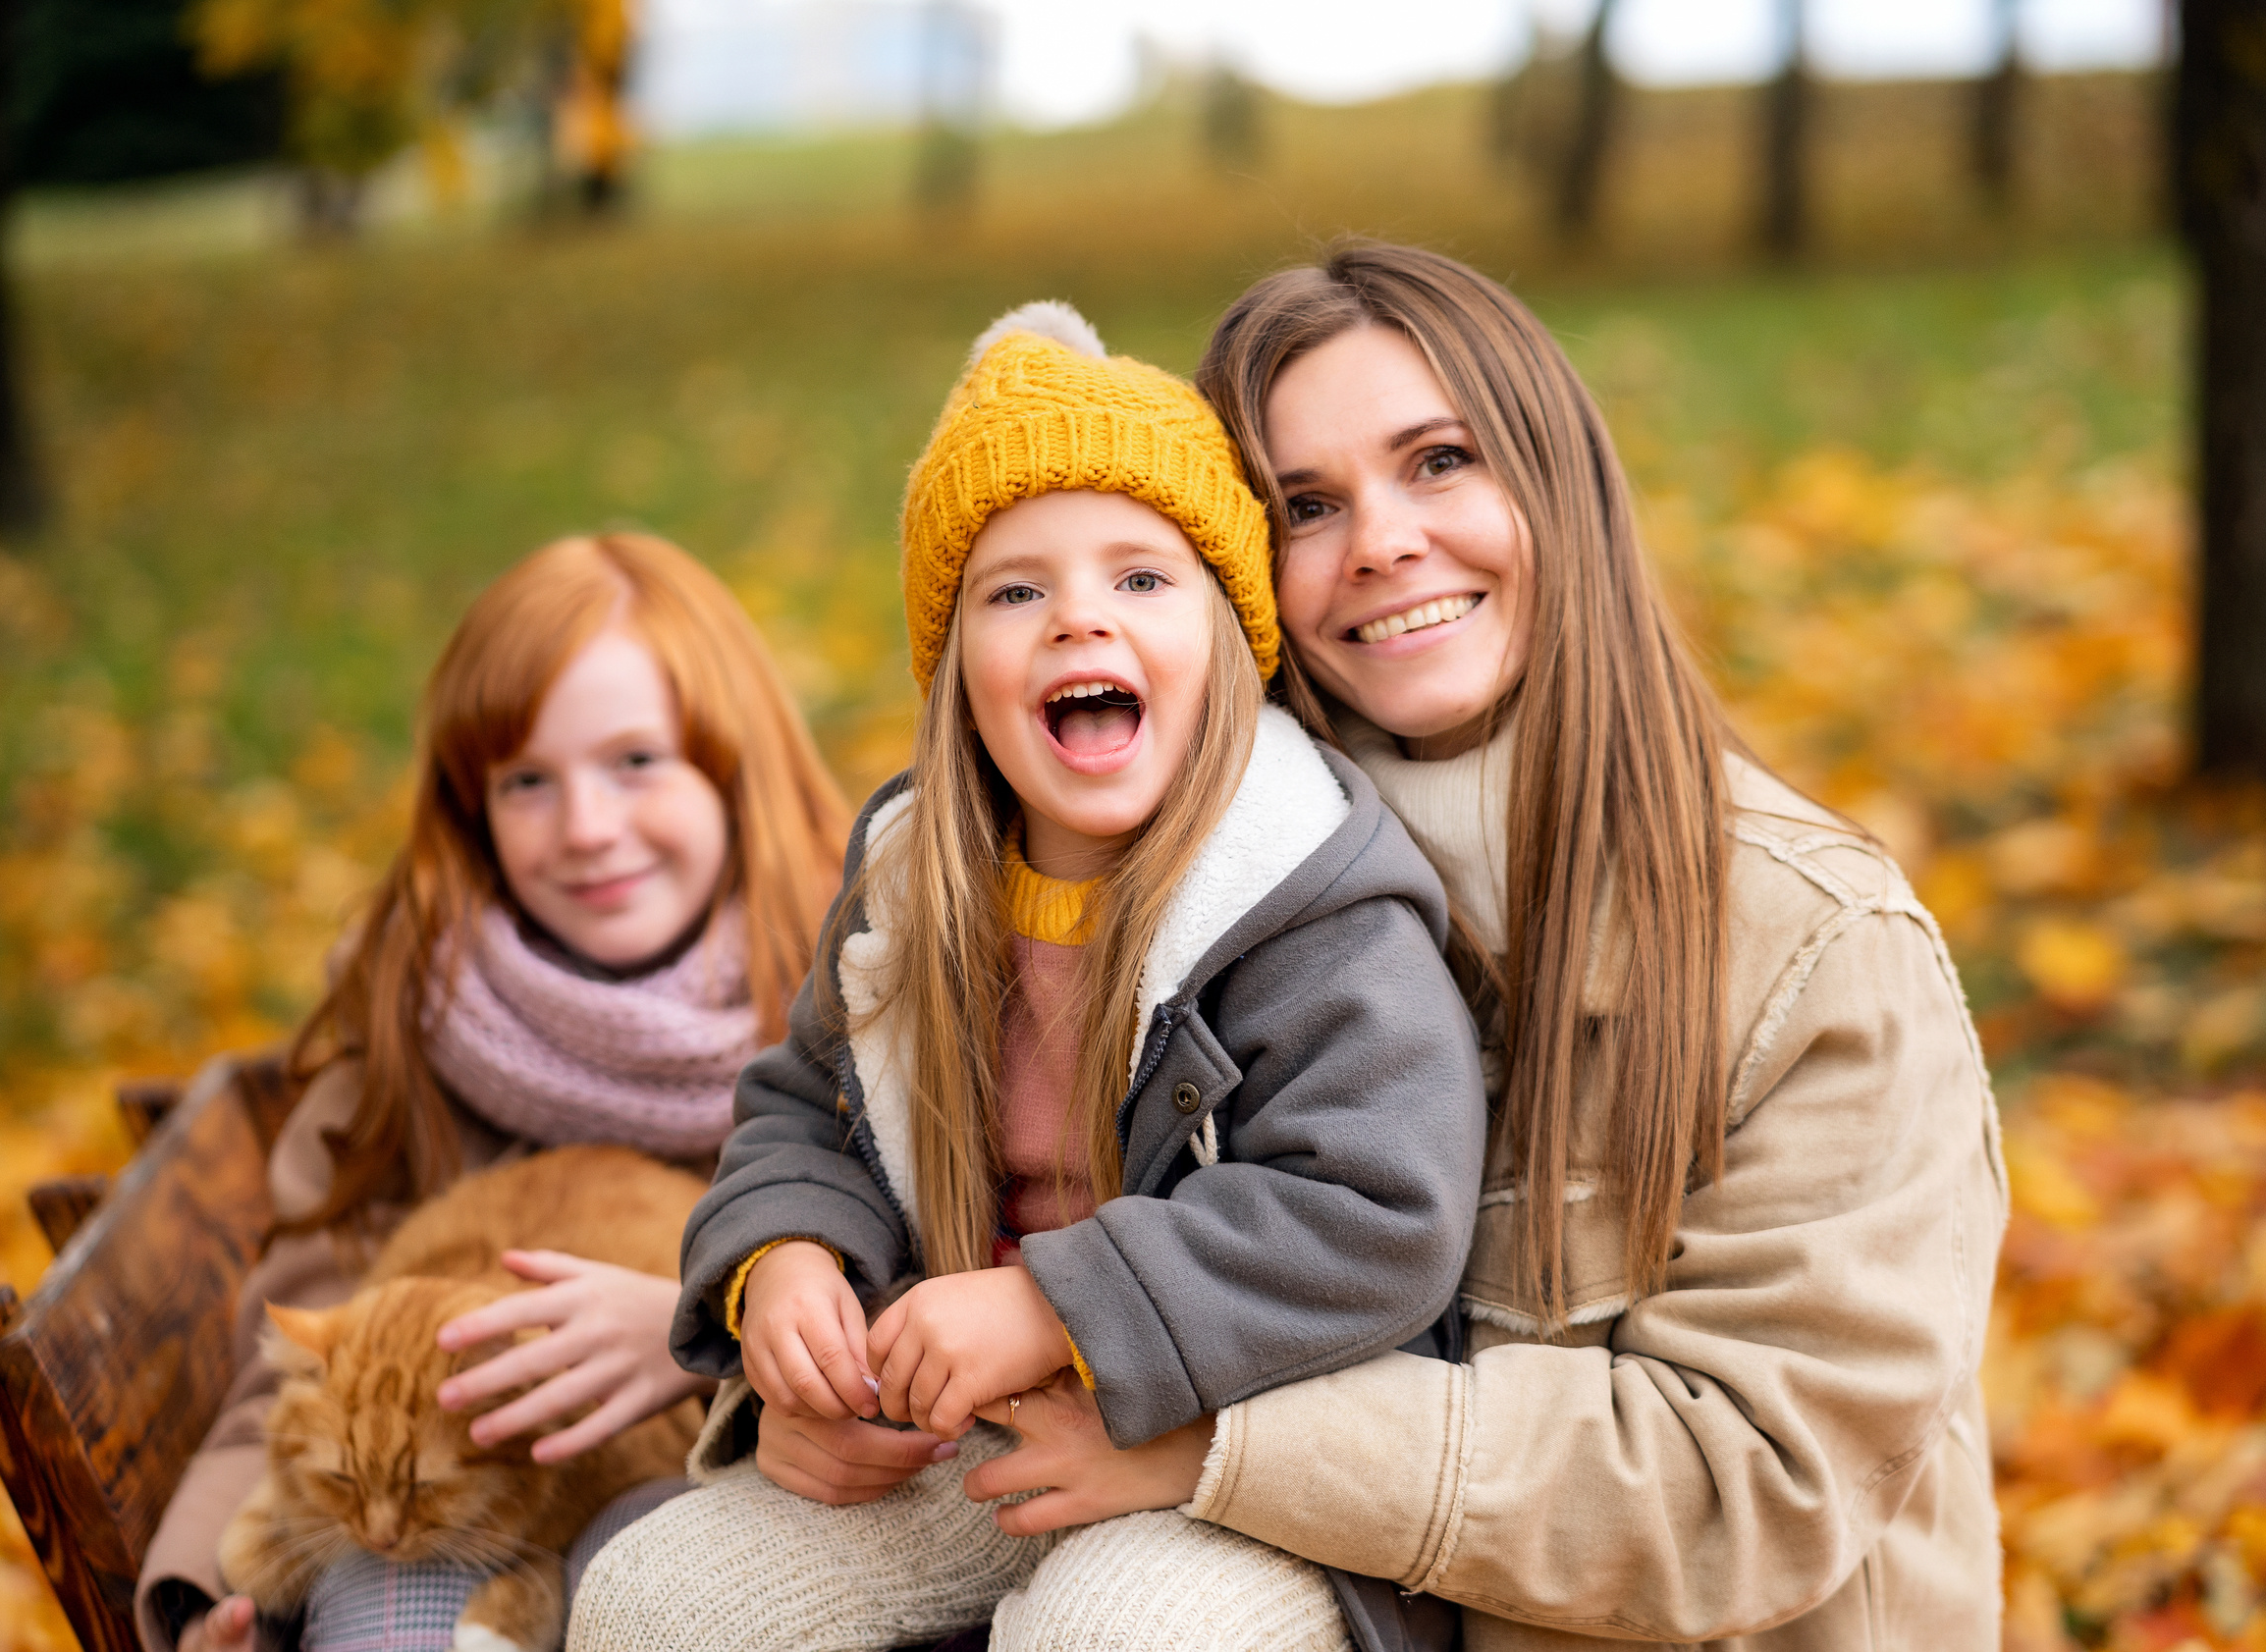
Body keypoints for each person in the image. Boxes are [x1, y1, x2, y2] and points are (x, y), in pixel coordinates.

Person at [774, 244, 2011, 1651]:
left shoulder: (1815, 946)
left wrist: (1217, 1442)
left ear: (1558, 480)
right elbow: (928, 1163)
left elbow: (1749, 1481)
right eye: (1307, 503)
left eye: (1440, 460)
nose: (1379, 541)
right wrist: (780, 1334)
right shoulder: (1187, 891)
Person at [566, 301, 1486, 1652]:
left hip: (1245, 1450)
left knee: (1113, 1637)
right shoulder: (913, 883)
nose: (1076, 621)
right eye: (1016, 589)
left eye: (1141, 579)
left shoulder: (1305, 897)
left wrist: (1060, 1299)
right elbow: (801, 1105)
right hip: (969, 1428)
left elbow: (1377, 1210)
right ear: (956, 668)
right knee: (657, 1604)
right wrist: (786, 1263)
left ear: (1231, 637)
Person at [137, 532, 851, 1652]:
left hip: (743, 1492)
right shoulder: (418, 1020)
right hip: (442, 1520)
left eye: (636, 762)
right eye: (527, 781)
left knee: (666, 1587)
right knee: (395, 1619)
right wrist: (216, 1597)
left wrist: (687, 1332)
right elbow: (303, 1377)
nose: (586, 828)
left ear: (733, 767)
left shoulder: (864, 989)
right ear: (471, 808)